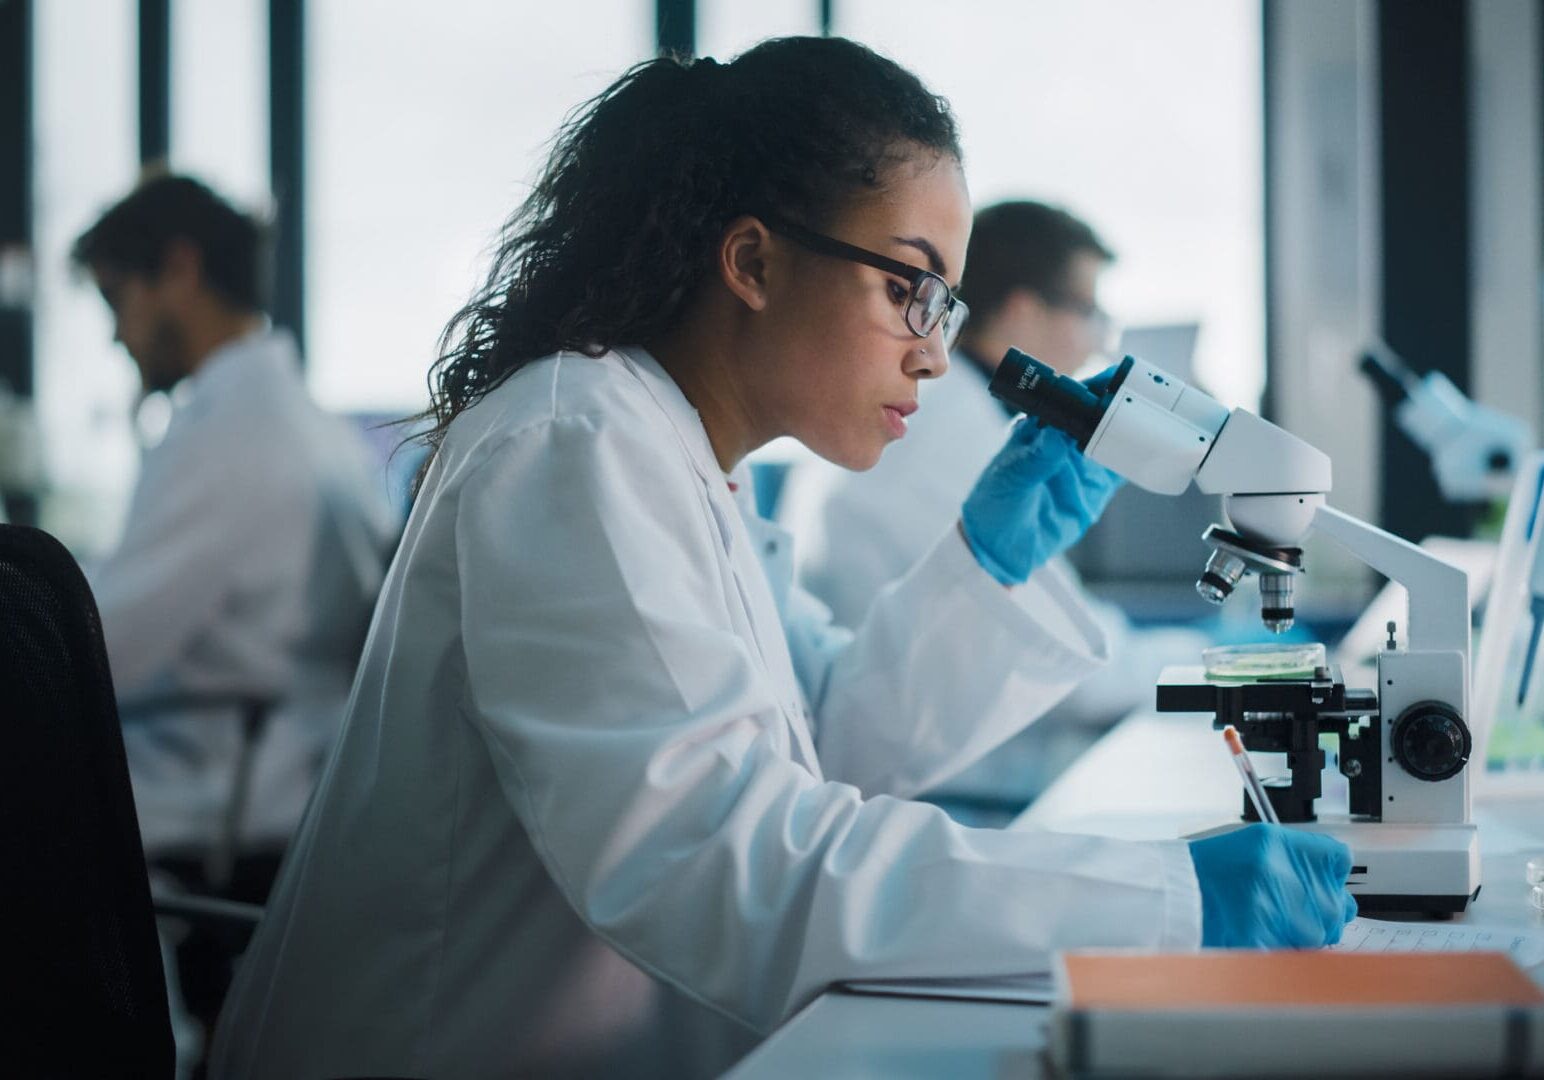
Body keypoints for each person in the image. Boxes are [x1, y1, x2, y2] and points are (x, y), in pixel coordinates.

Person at [211, 40, 1355, 1080]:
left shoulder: (688, 461)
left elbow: (821, 746)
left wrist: (984, 564)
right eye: (908, 288)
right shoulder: (575, 441)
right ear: (752, 262)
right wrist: (1157, 896)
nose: (931, 354)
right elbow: (721, 859)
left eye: (945, 307)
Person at [782, 200, 1212, 805]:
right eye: (1088, 311)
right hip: (956, 786)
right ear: (1023, 310)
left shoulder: (947, 412)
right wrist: (1218, 660)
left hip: (916, 749)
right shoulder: (944, 424)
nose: (1098, 338)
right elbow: (1084, 682)